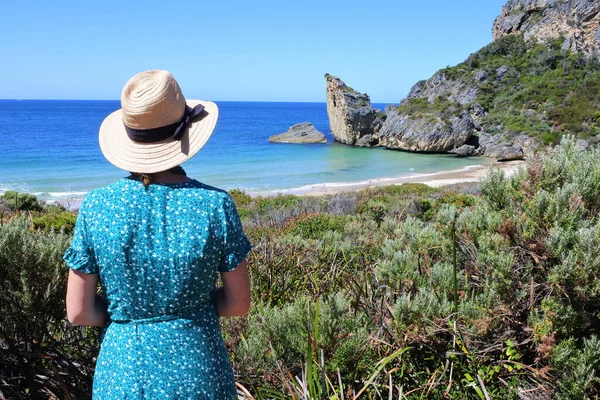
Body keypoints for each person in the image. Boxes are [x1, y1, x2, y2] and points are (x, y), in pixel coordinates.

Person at [64, 70, 252, 399]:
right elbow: (237, 304)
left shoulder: (95, 207)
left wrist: (131, 313)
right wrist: (190, 308)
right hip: (199, 370)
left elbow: (78, 311)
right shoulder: (215, 205)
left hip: (123, 373)